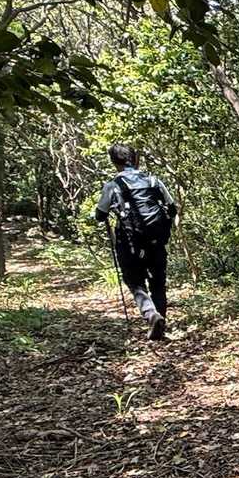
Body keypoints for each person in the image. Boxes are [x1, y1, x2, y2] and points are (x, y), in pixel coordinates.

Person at [93, 145, 178, 340]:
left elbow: (100, 215)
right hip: (156, 241)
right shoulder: (153, 181)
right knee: (158, 281)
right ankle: (160, 323)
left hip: (130, 242)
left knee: (135, 281)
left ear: (114, 162)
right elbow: (172, 209)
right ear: (135, 159)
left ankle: (151, 314)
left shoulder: (113, 185)